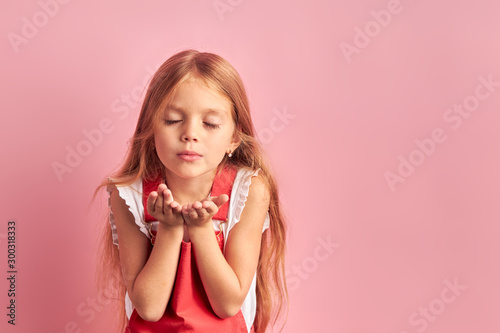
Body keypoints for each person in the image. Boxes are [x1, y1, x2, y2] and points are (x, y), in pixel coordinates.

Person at [93, 50, 288, 333]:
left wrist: (201, 229)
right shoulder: (129, 194)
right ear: (151, 129)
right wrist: (170, 230)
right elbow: (148, 307)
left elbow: (228, 303)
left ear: (233, 138)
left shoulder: (249, 191)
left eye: (209, 124)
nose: (190, 134)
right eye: (172, 120)